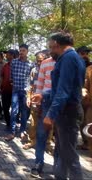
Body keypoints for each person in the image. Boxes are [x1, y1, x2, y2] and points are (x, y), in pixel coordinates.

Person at [43, 32, 85, 179]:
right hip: (66, 112)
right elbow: (65, 88)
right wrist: (43, 95)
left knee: (70, 156)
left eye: (50, 47)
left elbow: (64, 91)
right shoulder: (72, 58)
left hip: (68, 113)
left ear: (57, 44)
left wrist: (50, 114)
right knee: (61, 151)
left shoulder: (68, 59)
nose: (50, 51)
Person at [30, 51, 56, 177]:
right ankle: (38, 163)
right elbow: (39, 86)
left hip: (64, 105)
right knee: (41, 134)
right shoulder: (45, 64)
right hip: (46, 103)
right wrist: (39, 106)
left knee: (61, 137)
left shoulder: (67, 62)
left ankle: (59, 166)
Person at [5, 44, 33, 141]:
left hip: (25, 91)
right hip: (16, 91)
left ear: (27, 52)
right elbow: (11, 77)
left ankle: (22, 131)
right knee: (14, 111)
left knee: (24, 112)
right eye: (20, 50)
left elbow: (31, 79)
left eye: (23, 50)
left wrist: (29, 92)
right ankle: (12, 132)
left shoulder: (30, 64)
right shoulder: (14, 63)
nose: (21, 52)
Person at [23, 52, 45, 150]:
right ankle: (32, 141)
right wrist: (28, 97)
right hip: (35, 100)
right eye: (37, 61)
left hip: (46, 101)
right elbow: (30, 86)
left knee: (46, 124)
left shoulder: (50, 70)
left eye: (41, 61)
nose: (39, 63)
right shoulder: (34, 71)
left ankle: (47, 144)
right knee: (33, 123)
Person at [0, 49, 14, 129]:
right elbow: (2, 76)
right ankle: (8, 123)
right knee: (5, 108)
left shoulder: (16, 65)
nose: (6, 56)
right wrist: (0, 86)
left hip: (14, 91)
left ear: (12, 55)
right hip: (5, 91)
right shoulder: (5, 66)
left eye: (8, 55)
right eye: (6, 55)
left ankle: (13, 123)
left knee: (14, 109)